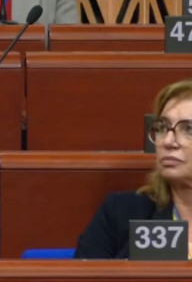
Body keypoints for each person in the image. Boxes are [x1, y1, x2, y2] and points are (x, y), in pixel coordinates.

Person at [75, 80, 192, 258]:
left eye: (189, 129)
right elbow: (83, 275)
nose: (167, 141)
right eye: (162, 127)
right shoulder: (121, 212)